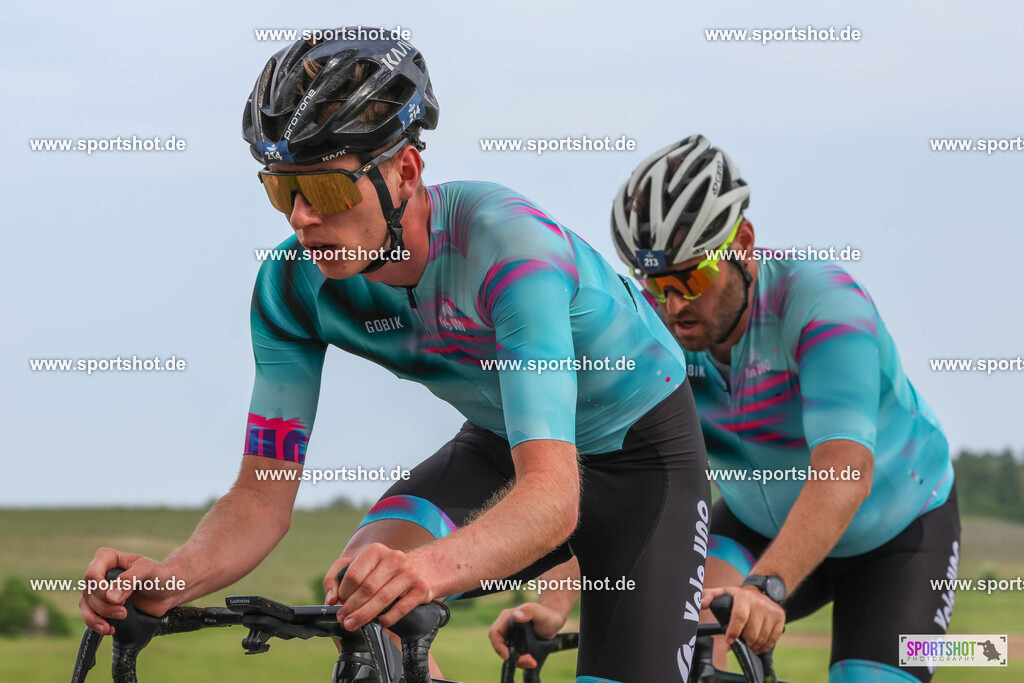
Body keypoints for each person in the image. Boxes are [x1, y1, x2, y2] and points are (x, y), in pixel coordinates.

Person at [79, 35, 711, 682]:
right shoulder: (292, 289)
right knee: (366, 594)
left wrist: (429, 569)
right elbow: (260, 497)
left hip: (640, 457)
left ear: (405, 172)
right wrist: (175, 573)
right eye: (280, 188)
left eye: (323, 189)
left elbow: (551, 497)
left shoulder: (509, 250)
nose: (300, 218)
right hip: (504, 443)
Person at [491, 135, 959, 683]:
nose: (674, 305)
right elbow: (603, 478)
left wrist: (768, 588)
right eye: (657, 283)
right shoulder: (654, 333)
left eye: (693, 277)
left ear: (744, 243)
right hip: (755, 527)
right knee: (688, 652)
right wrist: (557, 602)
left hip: (900, 536)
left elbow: (844, 468)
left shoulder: (825, 305)